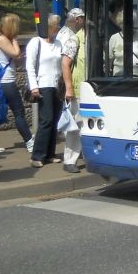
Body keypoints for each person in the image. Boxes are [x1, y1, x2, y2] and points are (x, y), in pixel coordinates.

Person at [26, 14, 63, 168]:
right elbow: (29, 65)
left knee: (55, 120)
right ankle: (37, 155)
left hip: (56, 85)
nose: (58, 28)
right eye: (56, 25)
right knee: (46, 120)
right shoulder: (36, 42)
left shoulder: (58, 43)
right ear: (49, 27)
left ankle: (49, 154)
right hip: (43, 84)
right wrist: (34, 86)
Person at [0, 13, 33, 153]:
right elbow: (16, 53)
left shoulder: (3, 39)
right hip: (5, 82)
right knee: (19, 112)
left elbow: (13, 57)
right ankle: (29, 141)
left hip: (4, 81)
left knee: (3, 112)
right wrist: (16, 40)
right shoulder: (2, 39)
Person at [60, 9, 86, 173]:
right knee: (75, 128)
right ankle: (69, 160)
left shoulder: (93, 38)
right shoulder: (74, 40)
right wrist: (69, 88)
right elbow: (65, 64)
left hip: (93, 89)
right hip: (78, 90)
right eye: (83, 18)